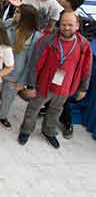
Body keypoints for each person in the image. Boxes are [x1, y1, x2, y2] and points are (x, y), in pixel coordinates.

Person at [18, 11, 92, 148]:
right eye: (63, 24)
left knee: (56, 110)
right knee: (33, 108)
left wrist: (83, 88)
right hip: (43, 84)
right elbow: (35, 63)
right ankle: (26, 130)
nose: (66, 28)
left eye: (70, 25)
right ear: (59, 24)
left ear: (77, 26)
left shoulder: (83, 44)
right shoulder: (47, 40)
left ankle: (49, 131)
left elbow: (87, 68)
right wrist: (31, 85)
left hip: (65, 87)